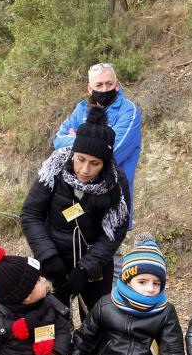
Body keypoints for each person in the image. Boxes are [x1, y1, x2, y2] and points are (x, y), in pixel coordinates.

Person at [20, 106, 130, 314]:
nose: (85, 169)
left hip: (94, 266)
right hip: (53, 260)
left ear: (105, 164)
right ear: (73, 153)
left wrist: (85, 268)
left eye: (95, 163)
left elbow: (115, 230)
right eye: (80, 159)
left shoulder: (116, 181)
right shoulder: (54, 169)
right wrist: (49, 257)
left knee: (96, 322)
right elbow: (30, 215)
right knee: (49, 322)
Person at [52, 61, 141, 231]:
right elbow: (58, 140)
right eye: (98, 84)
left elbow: (112, 153)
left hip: (111, 200)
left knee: (106, 254)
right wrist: (96, 141)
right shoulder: (82, 109)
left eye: (109, 83)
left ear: (116, 84)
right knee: (69, 239)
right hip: (77, 196)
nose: (104, 89)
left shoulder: (129, 112)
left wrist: (80, 139)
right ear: (89, 87)